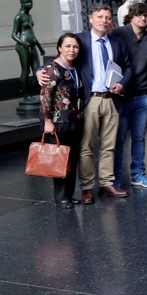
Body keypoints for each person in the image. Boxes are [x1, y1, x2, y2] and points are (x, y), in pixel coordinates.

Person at [79, 5, 133, 202]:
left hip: (112, 100)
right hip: (90, 100)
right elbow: (62, 56)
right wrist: (43, 69)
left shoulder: (116, 43)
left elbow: (128, 66)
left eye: (108, 17)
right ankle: (86, 187)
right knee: (87, 146)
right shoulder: (80, 40)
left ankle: (106, 184)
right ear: (90, 19)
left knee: (109, 146)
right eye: (99, 16)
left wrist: (122, 84)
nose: (104, 20)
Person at [112, 2, 147, 188]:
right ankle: (115, 177)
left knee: (139, 137)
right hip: (121, 95)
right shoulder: (118, 34)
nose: (143, 18)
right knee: (120, 138)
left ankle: (138, 174)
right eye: (140, 15)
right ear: (131, 16)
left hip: (142, 96)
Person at [40, 33, 84, 209]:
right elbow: (45, 97)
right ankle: (61, 198)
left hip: (74, 121)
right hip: (58, 123)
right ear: (59, 48)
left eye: (75, 47)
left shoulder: (74, 67)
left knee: (72, 158)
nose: (71, 50)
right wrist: (47, 120)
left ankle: (70, 194)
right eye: (67, 46)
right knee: (60, 160)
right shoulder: (52, 69)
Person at [12, 0, 45, 99]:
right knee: (25, 71)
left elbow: (32, 34)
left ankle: (29, 92)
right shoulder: (19, 17)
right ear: (22, 4)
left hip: (32, 46)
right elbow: (13, 34)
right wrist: (23, 43)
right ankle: (26, 94)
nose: (30, 4)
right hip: (23, 47)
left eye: (31, 1)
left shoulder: (29, 16)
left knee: (37, 72)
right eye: (27, 2)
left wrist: (40, 47)